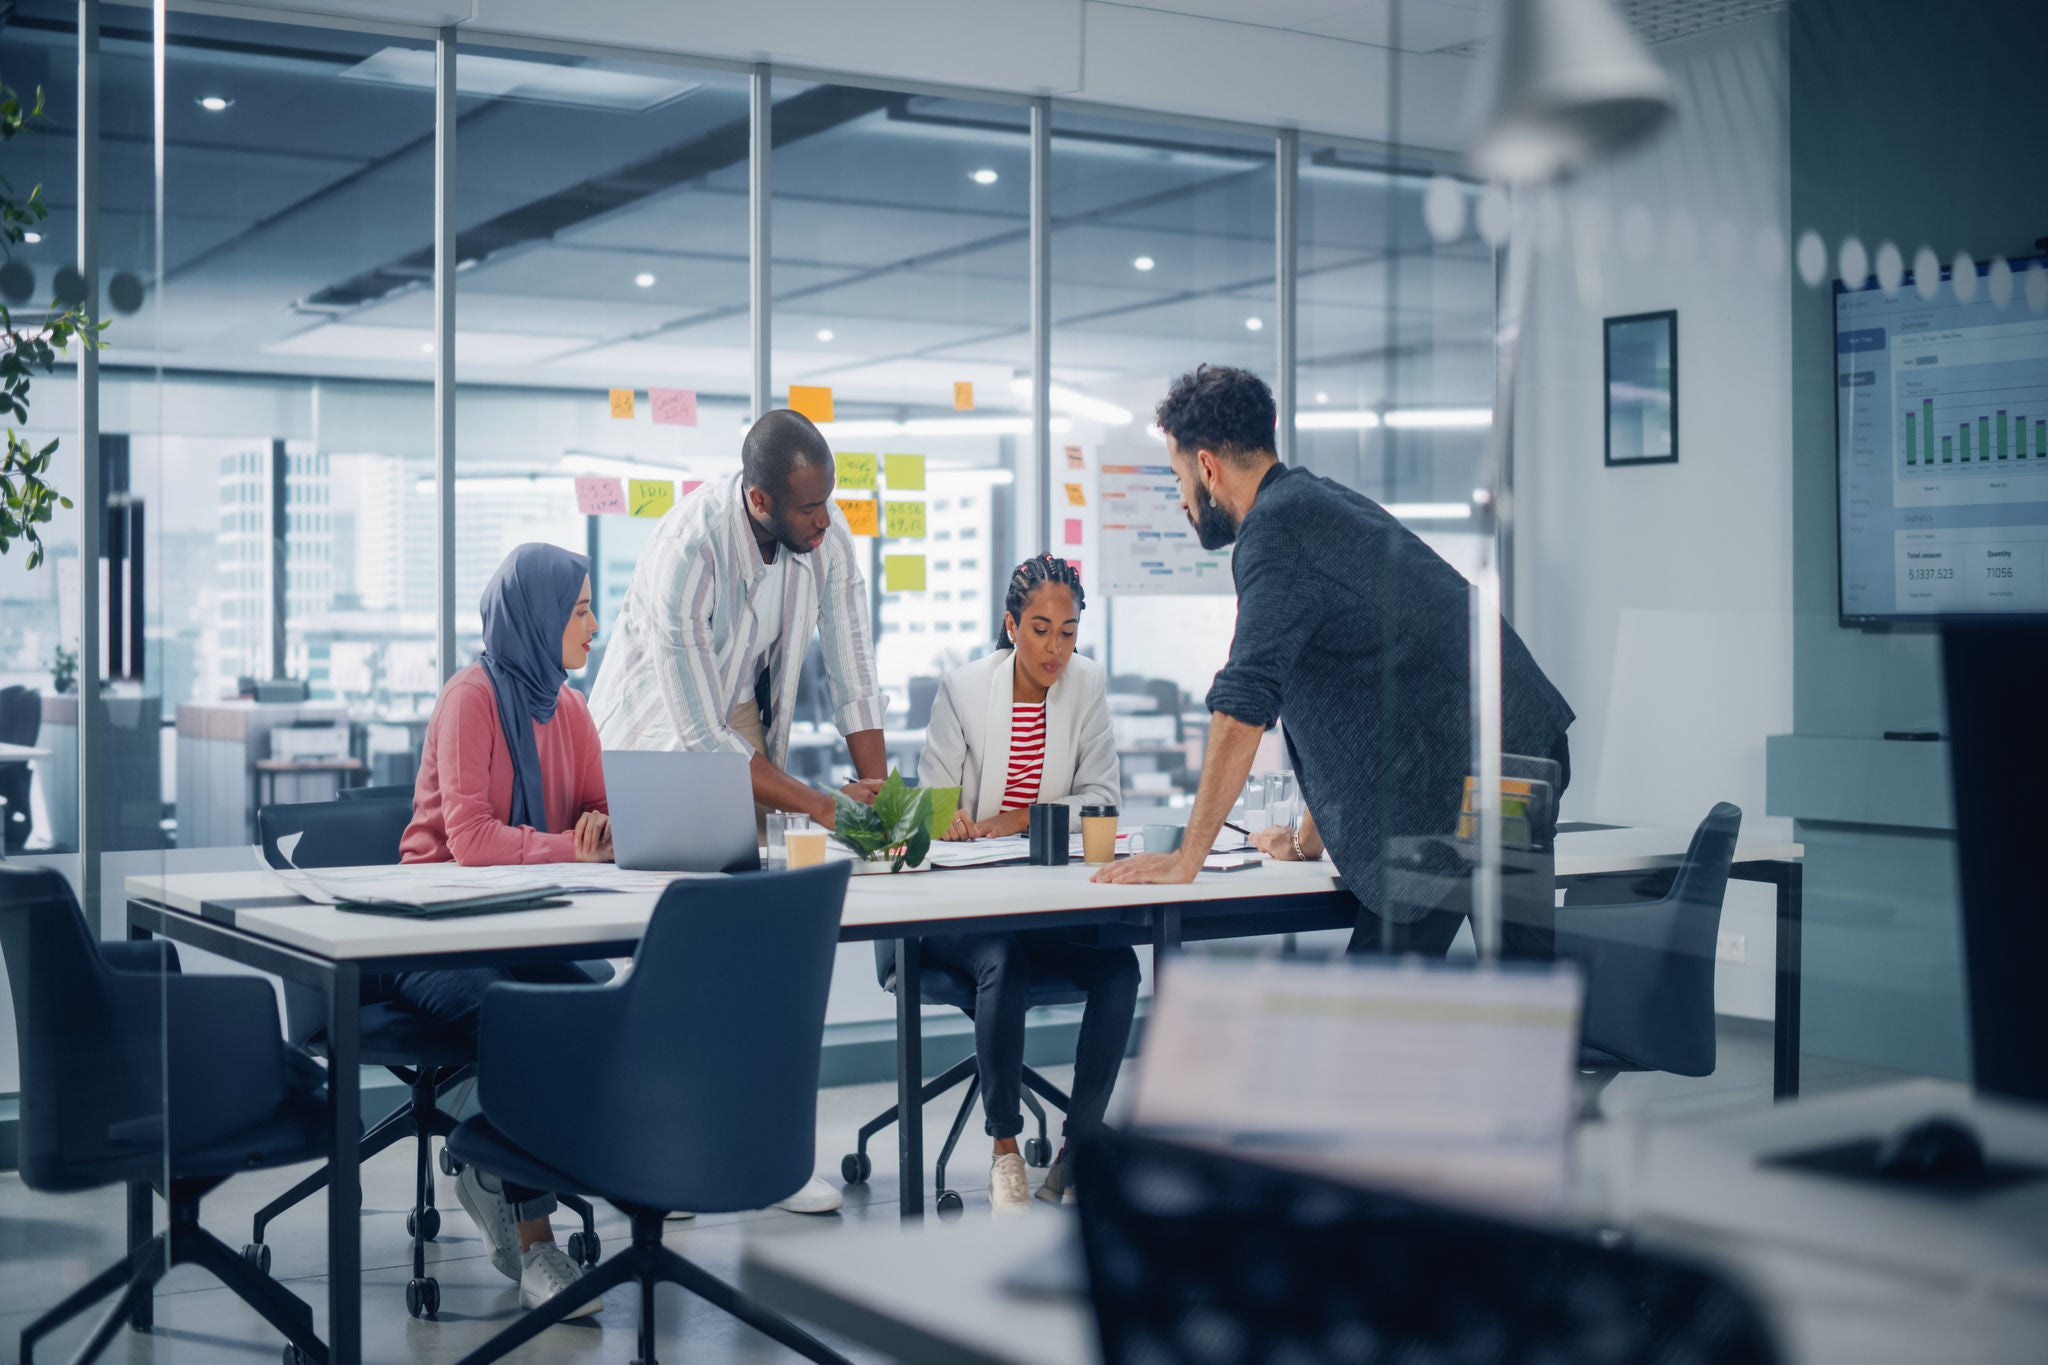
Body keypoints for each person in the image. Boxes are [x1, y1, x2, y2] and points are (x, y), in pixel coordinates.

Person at [1094, 364, 1575, 962]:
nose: (1183, 500)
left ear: (1208, 468)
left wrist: (1187, 857)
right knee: (1505, 986)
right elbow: (1359, 691)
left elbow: (1244, 702)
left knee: (1389, 1014)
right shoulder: (1315, 502)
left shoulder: (1276, 533)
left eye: (1178, 479)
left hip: (1474, 772)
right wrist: (1307, 839)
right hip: (1509, 746)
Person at [588, 407, 886, 1216]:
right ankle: (656, 1157)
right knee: (667, 948)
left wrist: (882, 808)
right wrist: (827, 806)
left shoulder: (824, 533)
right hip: (659, 733)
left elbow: (854, 670)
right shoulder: (688, 551)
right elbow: (700, 740)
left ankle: (768, 1156)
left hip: (742, 720)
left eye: (828, 504)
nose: (825, 522)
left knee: (763, 945)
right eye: (808, 510)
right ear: (759, 501)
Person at [395, 541, 611, 1319]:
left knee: (597, 1004)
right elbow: (471, 839)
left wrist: (609, 829)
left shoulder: (571, 709)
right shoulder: (470, 699)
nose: (594, 624)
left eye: (590, 607)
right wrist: (570, 844)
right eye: (580, 610)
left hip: (525, 926)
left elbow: (599, 814)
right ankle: (534, 1237)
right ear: (539, 616)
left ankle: (490, 1158)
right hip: (429, 935)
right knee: (518, 1014)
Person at [919, 554, 1139, 1216]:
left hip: (1041, 902)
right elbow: (927, 803)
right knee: (1000, 959)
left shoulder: (1086, 685)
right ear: (1011, 625)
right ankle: (1006, 1151)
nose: (1055, 648)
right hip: (962, 913)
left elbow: (1102, 797)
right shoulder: (963, 687)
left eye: (1068, 631)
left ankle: (1077, 1148)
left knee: (1120, 968)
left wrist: (1014, 819)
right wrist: (946, 815)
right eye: (1040, 629)